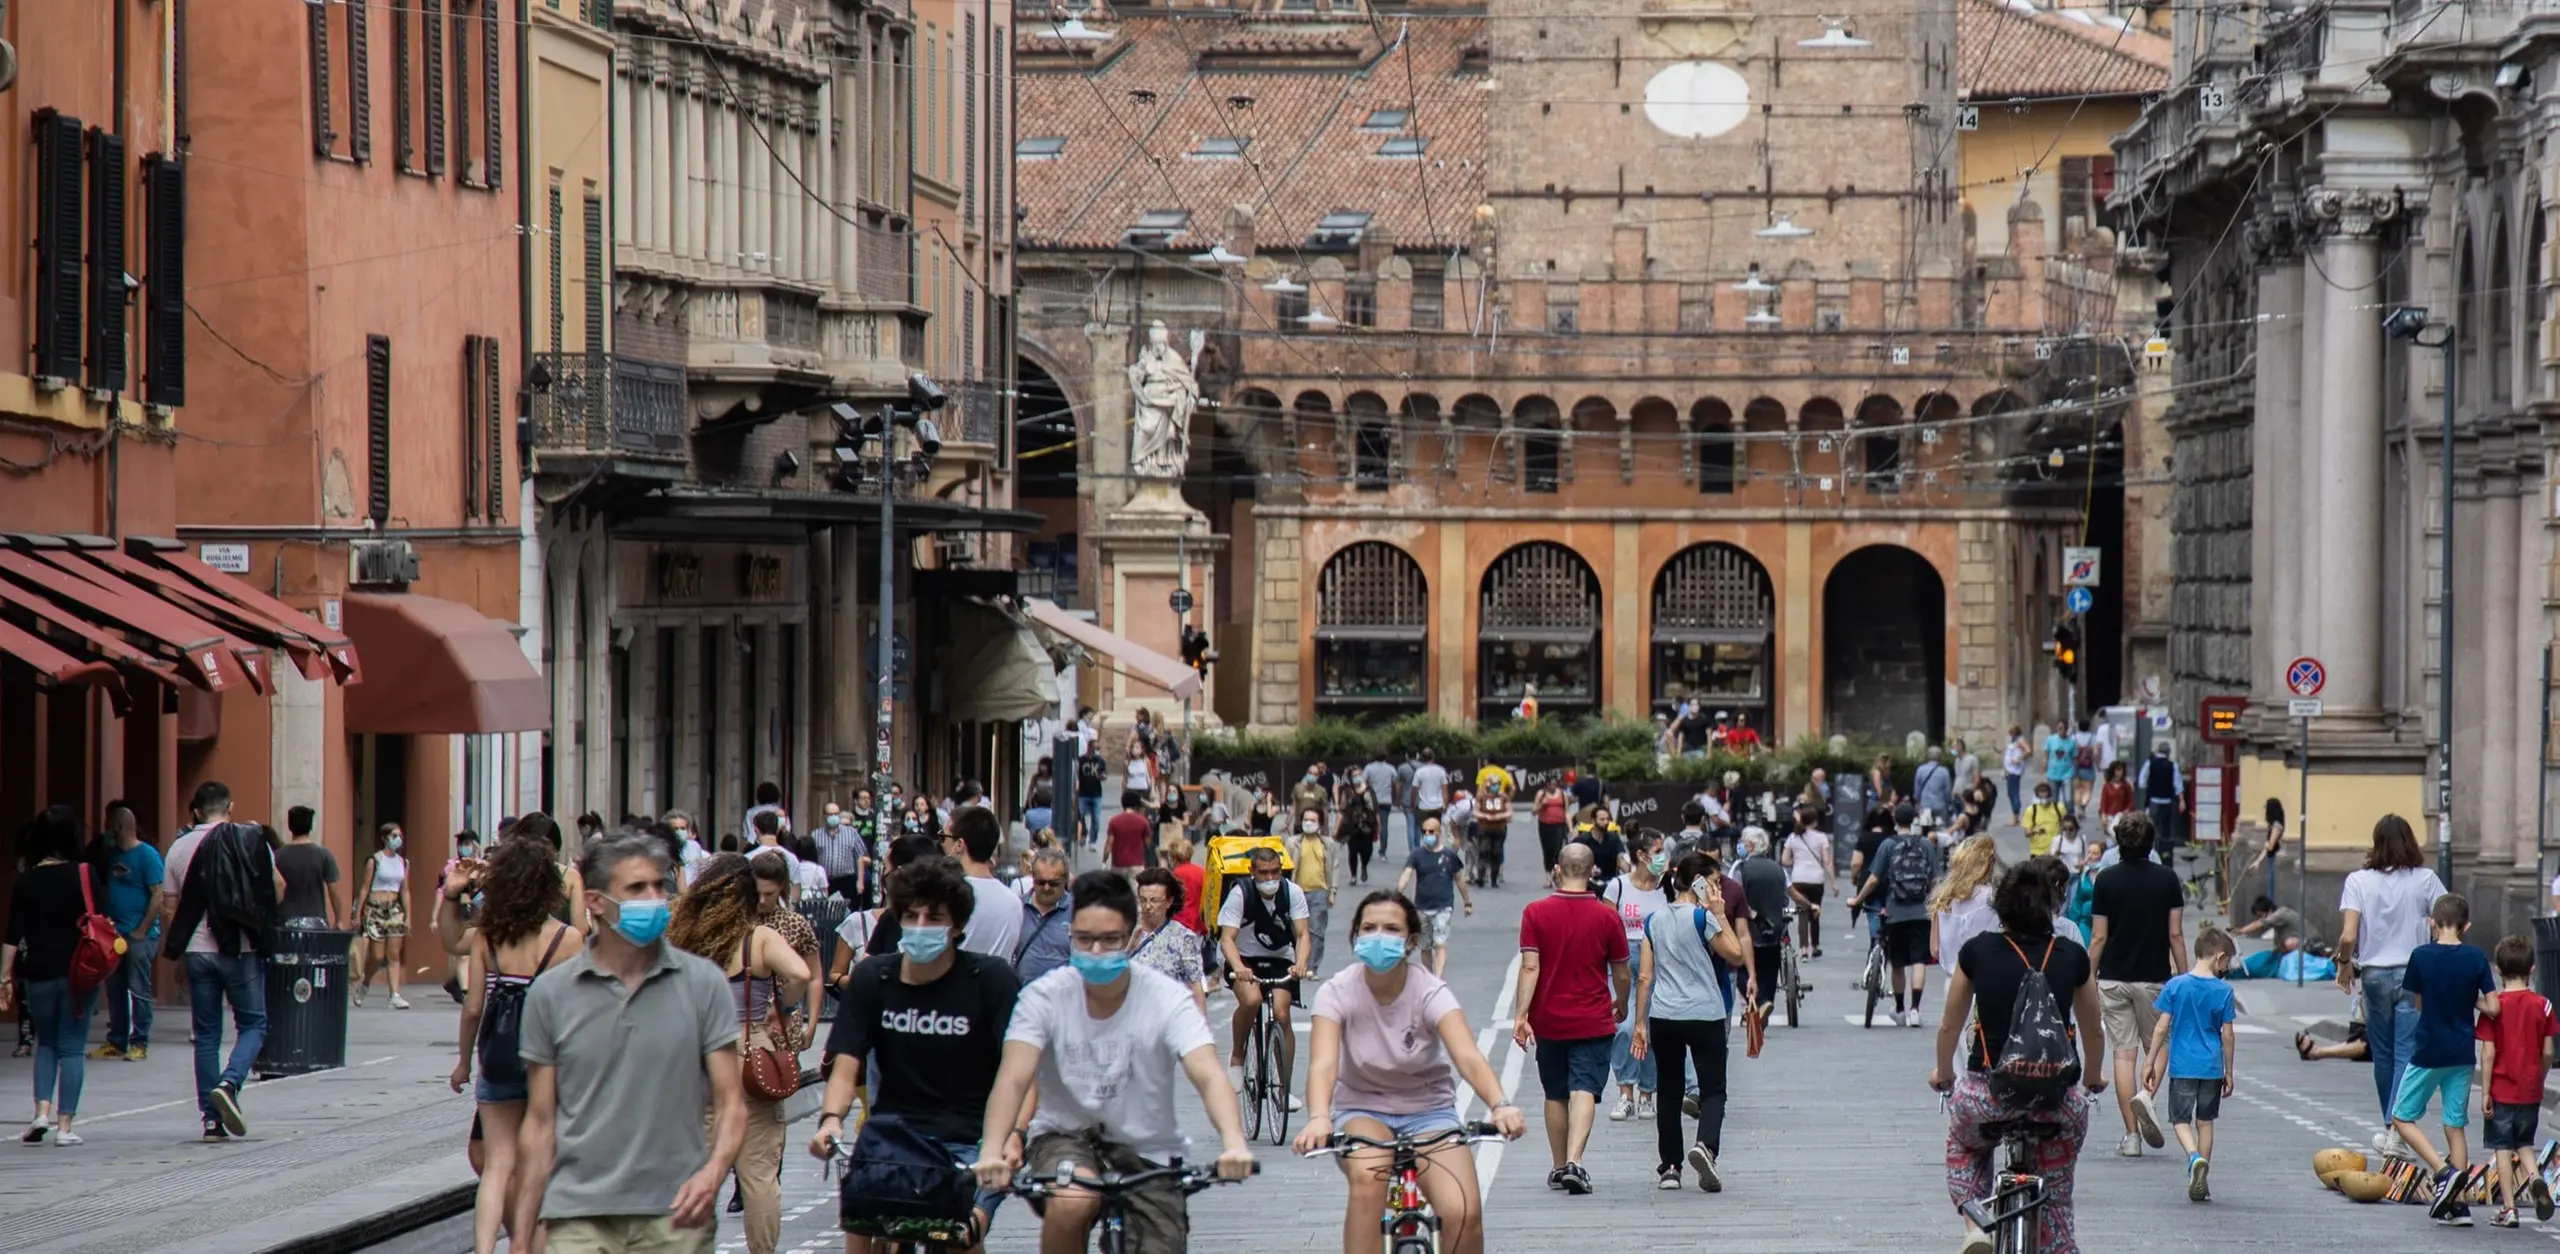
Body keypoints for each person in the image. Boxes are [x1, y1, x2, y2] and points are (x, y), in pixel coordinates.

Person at [970, 871, 1257, 1248]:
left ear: (1130, 935)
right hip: (1065, 1136)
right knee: (1073, 1200)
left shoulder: (1163, 996)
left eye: (1109, 940)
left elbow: (1207, 1073)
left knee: (1162, 1240)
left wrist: (1233, 1141)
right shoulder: (1045, 996)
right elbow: (1013, 1077)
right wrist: (994, 1148)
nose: (1096, 951)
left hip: (1148, 1139)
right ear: (1070, 934)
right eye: (1084, 939)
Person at [513, 834, 745, 1253]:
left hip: (675, 1215)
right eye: (637, 889)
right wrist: (523, 1234)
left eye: (659, 886)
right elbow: (539, 1123)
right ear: (596, 901)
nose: (654, 899)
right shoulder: (551, 994)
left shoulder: (703, 983)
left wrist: (713, 1174)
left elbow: (731, 1103)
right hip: (578, 1214)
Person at [1294, 891, 1525, 1253]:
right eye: (1368, 928)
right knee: (1368, 1184)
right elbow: (1323, 1063)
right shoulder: (1337, 991)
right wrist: (1319, 1118)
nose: (1378, 936)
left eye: (1391, 929)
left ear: (1411, 942)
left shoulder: (1430, 991)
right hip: (1362, 1109)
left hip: (1430, 1112)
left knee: (1462, 1211)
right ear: (1355, 936)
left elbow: (1466, 1055)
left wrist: (1500, 1104)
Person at [812, 857, 1019, 1253]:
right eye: (911, 916)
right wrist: (830, 1120)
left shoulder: (990, 980)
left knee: (962, 1236)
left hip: (970, 1140)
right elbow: (847, 1060)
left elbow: (1018, 1071)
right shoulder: (875, 978)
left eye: (935, 918)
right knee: (862, 1218)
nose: (921, 927)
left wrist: (1011, 1138)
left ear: (957, 926)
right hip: (892, 1135)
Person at [1930, 855, 2107, 1254]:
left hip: (1988, 1096)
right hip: (2056, 1102)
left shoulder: (1977, 952)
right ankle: (2057, 1241)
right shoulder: (2071, 956)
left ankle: (1976, 1223)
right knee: (2057, 1196)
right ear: (2050, 906)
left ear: (2001, 906)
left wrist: (1943, 1072)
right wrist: (2093, 1077)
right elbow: (2094, 1030)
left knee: (1966, 1147)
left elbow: (1949, 1026)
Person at [665, 853, 812, 1254]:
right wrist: (782, 1008)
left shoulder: (684, 940)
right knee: (759, 1174)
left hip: (696, 1059)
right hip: (751, 1053)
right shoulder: (758, 938)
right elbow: (800, 973)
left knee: (697, 1170)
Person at [446, 836, 580, 1254]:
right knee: (544, 1168)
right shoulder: (569, 940)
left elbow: (472, 1008)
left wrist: (464, 1063)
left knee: (497, 1166)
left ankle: (485, 1249)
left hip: (498, 1056)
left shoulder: (489, 936)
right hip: (549, 1061)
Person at [164, 781, 283, 1141]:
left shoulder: (178, 849)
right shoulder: (251, 840)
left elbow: (170, 910)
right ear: (229, 806)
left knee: (206, 1035)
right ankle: (230, 1083)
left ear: (196, 811)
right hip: (241, 949)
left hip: (198, 951)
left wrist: (180, 956)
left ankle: (211, 1121)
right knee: (254, 1024)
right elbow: (278, 888)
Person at [1511, 843, 1631, 1196]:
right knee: (1585, 1088)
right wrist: (1620, 1003)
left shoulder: (1535, 912)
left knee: (1555, 1092)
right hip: (1592, 1017)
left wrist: (1521, 1014)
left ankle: (1558, 1164)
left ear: (1557, 870)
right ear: (1593, 871)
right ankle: (1576, 1161)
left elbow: (1530, 966)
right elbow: (1621, 972)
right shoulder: (1608, 917)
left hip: (1548, 1018)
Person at [1628, 850, 1747, 1190]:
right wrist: (1720, 915)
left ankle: (1669, 1167)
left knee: (1668, 1090)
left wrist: (1640, 1023)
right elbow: (1735, 954)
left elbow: (1645, 977)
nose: (1716, 890)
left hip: (1663, 1014)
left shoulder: (1654, 919)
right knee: (1713, 1090)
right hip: (1704, 1011)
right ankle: (1706, 1146)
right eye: (1712, 883)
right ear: (1697, 883)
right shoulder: (1701, 917)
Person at [2336, 813, 2448, 1159]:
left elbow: (2348, 936)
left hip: (2373, 976)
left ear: (2376, 843)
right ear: (2411, 841)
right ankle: (2397, 1130)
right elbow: (2449, 922)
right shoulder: (2426, 880)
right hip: (2414, 974)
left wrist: (2344, 965)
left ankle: (2392, 1127)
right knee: (2406, 1054)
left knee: (2382, 1056)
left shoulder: (2358, 880)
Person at [2390, 893, 2497, 1225]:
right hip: (2462, 1052)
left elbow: (2418, 1004)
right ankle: (2459, 1206)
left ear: (2432, 923)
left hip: (2428, 1050)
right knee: (2455, 1125)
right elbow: (2493, 1008)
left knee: (2401, 1116)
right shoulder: (2477, 959)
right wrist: (2473, 1002)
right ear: (2467, 926)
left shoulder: (2420, 956)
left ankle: (2442, 1173)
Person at [2, 806, 103, 1145]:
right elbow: (102, 919)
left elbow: (12, 935)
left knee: (46, 1043)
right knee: (72, 1048)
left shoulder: (27, 879)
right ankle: (65, 1127)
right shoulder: (85, 874)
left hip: (39, 973)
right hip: (79, 973)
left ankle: (40, 1113)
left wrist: (4, 978)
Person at [2087, 811, 2186, 1158]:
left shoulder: (2106, 880)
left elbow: (2099, 937)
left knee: (2123, 1055)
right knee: (2158, 1048)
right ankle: (2146, 1097)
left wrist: (2086, 976)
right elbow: (2175, 933)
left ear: (2118, 842)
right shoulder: (2168, 880)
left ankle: (2131, 1137)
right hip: (2154, 978)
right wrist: (2185, 976)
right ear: (2151, 843)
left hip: (2113, 977)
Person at [2137, 927, 2238, 1203]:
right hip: (2211, 1067)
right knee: (2205, 1121)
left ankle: (2193, 1158)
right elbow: (2227, 1035)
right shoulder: (2224, 991)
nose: (2226, 968)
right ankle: (2202, 1174)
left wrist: (2149, 1061)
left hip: (2182, 1065)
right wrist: (2229, 1071)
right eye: (2227, 962)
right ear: (2219, 957)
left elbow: (2160, 1028)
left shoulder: (2176, 985)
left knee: (2180, 1120)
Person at [2474, 935, 2558, 1229]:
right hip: (2530, 1089)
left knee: (2502, 1146)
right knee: (2524, 1142)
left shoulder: (2494, 1008)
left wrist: (2485, 1091)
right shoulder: (2543, 1005)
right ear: (2532, 968)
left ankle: (2509, 1209)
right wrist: (2541, 1074)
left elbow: (2488, 1052)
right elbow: (2548, 1051)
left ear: (2496, 969)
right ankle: (2536, 1178)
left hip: (2501, 1087)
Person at [1219, 846, 1312, 1108]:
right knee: (1251, 1000)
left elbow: (1303, 934)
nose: (1270, 879)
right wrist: (1238, 967)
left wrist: (1300, 964)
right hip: (1244, 957)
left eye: (1275, 872)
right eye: (1263, 873)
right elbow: (1227, 938)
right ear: (1252, 871)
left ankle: (1284, 1088)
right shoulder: (1240, 894)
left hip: (1280, 956)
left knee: (1282, 1015)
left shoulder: (1292, 892)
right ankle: (1237, 1055)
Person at [1849, 807, 1941, 1028]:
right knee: (1919, 961)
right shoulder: (1926, 845)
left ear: (1895, 820)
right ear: (1915, 820)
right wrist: (1935, 903)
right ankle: (1916, 1009)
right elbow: (1936, 879)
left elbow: (1872, 880)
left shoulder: (1888, 845)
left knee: (1897, 963)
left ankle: (1899, 1009)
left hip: (1895, 912)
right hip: (1921, 911)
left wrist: (1858, 899)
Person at [1602, 830, 1670, 1121]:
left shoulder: (1666, 888)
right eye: (1657, 851)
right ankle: (1625, 1091)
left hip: (1657, 961)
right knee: (1624, 1028)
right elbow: (1604, 927)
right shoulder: (1617, 887)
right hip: (1623, 962)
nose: (1662, 857)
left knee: (1652, 1029)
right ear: (1641, 856)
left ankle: (1647, 1094)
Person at [93, 801, 164, 1061]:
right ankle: (117, 1040)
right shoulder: (112, 856)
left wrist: (142, 930)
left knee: (139, 988)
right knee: (115, 988)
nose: (105, 830)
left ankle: (139, 1041)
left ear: (120, 827)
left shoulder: (147, 855)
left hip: (139, 937)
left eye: (109, 826)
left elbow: (158, 896)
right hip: (114, 935)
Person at [938, 808, 1024, 961]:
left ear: (959, 845)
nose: (941, 844)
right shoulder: (1014, 903)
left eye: (943, 837)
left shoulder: (946, 895)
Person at [1733, 828, 1800, 1018]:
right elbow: (1791, 892)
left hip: (1748, 928)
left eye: (1742, 842)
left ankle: (1760, 1003)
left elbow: (1733, 894)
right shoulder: (1777, 868)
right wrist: (1808, 905)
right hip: (1775, 928)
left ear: (1750, 846)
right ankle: (1765, 1005)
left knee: (1740, 968)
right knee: (1770, 969)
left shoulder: (1740, 868)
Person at [350, 823, 416, 1009]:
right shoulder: (375, 860)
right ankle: (365, 983)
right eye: (394, 835)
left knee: (394, 953)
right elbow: (364, 888)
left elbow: (405, 891)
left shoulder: (403, 862)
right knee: (377, 956)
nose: (398, 839)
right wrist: (357, 914)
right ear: (384, 838)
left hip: (394, 908)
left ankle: (394, 994)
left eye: (400, 835)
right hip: (375, 908)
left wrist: (408, 917)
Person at [1397, 817, 1473, 976]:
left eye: (1431, 832)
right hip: (1422, 908)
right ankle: (1429, 976)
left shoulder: (1449, 855)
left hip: (1443, 907)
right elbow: (1407, 874)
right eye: (1424, 832)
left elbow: (1459, 879)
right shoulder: (1417, 855)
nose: (1427, 835)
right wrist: (1397, 894)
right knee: (1425, 947)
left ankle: (1438, 978)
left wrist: (1467, 902)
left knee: (1440, 943)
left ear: (1439, 833)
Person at [1130, 867, 1209, 1020]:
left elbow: (1195, 985)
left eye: (1154, 900)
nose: (1147, 906)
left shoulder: (1184, 938)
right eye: (1143, 899)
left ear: (1168, 902)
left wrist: (1202, 1030)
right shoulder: (1125, 932)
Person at [1928, 835, 2000, 978]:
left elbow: (1935, 949)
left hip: (1952, 980)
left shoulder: (1943, 898)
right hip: (1984, 979)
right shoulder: (1992, 897)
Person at [1012, 849, 1075, 984]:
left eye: (1053, 883)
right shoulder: (1016, 907)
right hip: (1022, 996)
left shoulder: (1078, 912)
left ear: (1065, 880)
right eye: (1041, 882)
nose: (1046, 888)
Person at [273, 804, 337, 932]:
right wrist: (339, 919)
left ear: (290, 826)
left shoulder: (277, 856)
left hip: (286, 921)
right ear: (311, 826)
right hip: (316, 921)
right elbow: (334, 890)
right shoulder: (323, 855)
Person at [1782, 807, 1832, 959]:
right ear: (1815, 821)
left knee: (1802, 913)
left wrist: (1796, 861)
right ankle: (1815, 947)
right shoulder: (1822, 837)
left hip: (1798, 878)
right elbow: (1827, 860)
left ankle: (1803, 949)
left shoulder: (1793, 837)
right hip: (1816, 880)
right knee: (1815, 912)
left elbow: (1784, 860)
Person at [1293, 809, 1337, 972]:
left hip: (1319, 891)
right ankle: (1299, 964)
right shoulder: (1293, 843)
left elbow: (1334, 867)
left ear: (1319, 824)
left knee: (1317, 931)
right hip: (1297, 892)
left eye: (1312, 820)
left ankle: (1312, 966)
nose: (1308, 823)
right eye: (1306, 820)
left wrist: (1332, 891)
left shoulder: (1327, 844)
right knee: (1297, 931)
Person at [813, 802, 870, 907]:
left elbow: (859, 857)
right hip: (826, 881)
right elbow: (813, 859)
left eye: (836, 814)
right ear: (824, 816)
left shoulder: (851, 833)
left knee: (848, 912)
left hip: (847, 881)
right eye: (830, 814)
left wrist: (860, 881)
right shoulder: (816, 835)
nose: (833, 817)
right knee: (827, 912)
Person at [2136, 744, 2185, 852]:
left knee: (2153, 826)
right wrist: (2181, 801)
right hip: (2167, 801)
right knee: (2166, 827)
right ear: (2168, 753)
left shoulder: (2150, 763)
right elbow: (2178, 785)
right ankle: (2164, 850)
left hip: (2153, 800)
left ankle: (2153, 849)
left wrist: (2149, 786)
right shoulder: (2172, 765)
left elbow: (2141, 781)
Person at [2240, 799, 2286, 912]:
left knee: (2271, 888)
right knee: (2269, 886)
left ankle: (2271, 913)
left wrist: (2265, 847)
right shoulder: (2273, 825)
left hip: (2274, 859)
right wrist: (2258, 861)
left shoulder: (2277, 826)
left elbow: (2270, 846)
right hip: (2270, 858)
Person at [1339, 780, 1381, 885]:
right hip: (1352, 825)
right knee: (1352, 851)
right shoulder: (1347, 791)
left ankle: (1364, 865)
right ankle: (1353, 876)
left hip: (1367, 825)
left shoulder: (1369, 790)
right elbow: (1342, 807)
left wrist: (1377, 824)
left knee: (1368, 850)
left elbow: (1375, 808)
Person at [1105, 789, 1152, 876]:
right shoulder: (1143, 821)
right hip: (1137, 865)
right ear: (1137, 805)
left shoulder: (1114, 821)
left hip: (1118, 864)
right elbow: (1148, 844)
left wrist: (1104, 860)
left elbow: (1109, 844)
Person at [1475, 781, 1512, 888]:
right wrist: (1485, 816)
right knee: (1483, 851)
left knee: (1497, 853)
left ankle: (1494, 879)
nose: (1495, 787)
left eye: (1497, 784)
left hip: (1499, 829)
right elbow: (1475, 812)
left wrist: (1500, 816)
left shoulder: (1503, 797)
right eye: (1493, 784)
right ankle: (1481, 878)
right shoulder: (1481, 797)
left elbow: (1509, 812)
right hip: (1485, 828)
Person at [1535, 778, 1572, 880]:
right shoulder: (1541, 794)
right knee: (1547, 850)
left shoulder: (1562, 794)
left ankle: (1556, 873)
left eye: (1555, 784)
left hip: (1559, 824)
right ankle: (1548, 876)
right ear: (1546, 784)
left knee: (1558, 850)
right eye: (1550, 784)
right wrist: (1542, 804)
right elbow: (1533, 811)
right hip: (1545, 825)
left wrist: (1570, 827)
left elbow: (1567, 811)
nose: (1553, 786)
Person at [2021, 781, 2066, 859]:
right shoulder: (2031, 810)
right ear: (2037, 794)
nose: (2043, 795)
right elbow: (2027, 833)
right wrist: (2035, 831)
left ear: (2050, 793)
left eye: (2045, 792)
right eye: (2041, 792)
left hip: (2055, 851)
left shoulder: (2059, 808)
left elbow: (2066, 825)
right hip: (2037, 851)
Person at [1412, 749, 1451, 837]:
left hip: (1423, 807)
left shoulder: (1419, 772)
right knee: (1436, 830)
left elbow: (1414, 790)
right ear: (1433, 757)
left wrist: (1413, 803)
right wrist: (1446, 805)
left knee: (1426, 832)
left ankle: (1427, 847)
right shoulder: (1440, 770)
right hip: (1437, 806)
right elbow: (1445, 789)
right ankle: (1436, 847)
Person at [1913, 747, 1954, 828]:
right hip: (1940, 805)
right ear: (1940, 757)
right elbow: (1947, 791)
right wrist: (1947, 803)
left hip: (1925, 805)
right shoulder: (1944, 771)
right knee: (1941, 829)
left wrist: (1917, 802)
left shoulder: (1920, 770)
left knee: (1925, 829)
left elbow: (1917, 789)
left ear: (1928, 756)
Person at [2097, 762, 2136, 836]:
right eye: (2118, 769)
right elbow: (2104, 802)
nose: (2121, 772)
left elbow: (2131, 801)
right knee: (2111, 838)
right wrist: (2103, 815)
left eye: (2122, 769)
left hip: (2122, 816)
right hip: (2110, 816)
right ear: (2113, 771)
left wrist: (2126, 811)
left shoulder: (2126, 785)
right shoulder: (2107, 786)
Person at [2000, 727, 2028, 821]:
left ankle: (2015, 815)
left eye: (2011, 731)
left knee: (2014, 792)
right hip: (2009, 770)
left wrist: (2018, 759)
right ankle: (2015, 815)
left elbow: (2028, 750)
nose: (2009, 732)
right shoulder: (2013, 740)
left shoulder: (2020, 740)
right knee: (2010, 792)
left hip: (2015, 770)